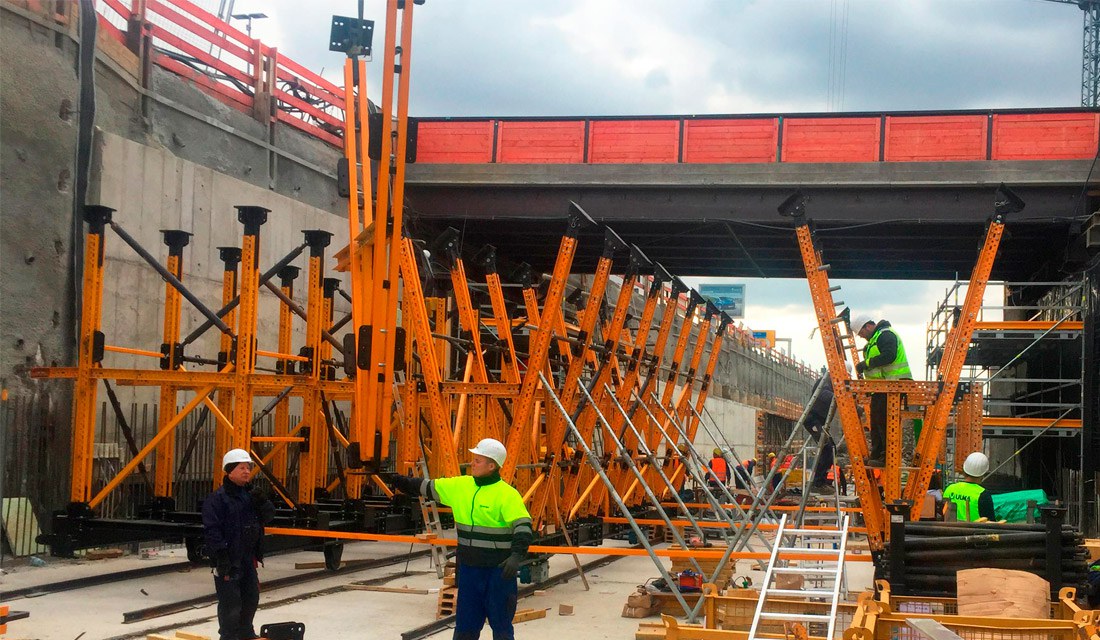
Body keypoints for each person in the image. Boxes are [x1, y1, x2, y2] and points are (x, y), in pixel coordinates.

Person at [389, 438, 533, 640]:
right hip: (469, 571)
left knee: (501, 629)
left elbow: (523, 526)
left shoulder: (507, 495)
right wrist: (397, 480)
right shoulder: (460, 487)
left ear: (492, 466)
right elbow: (426, 486)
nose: (472, 463)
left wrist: (517, 555)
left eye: (478, 460)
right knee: (465, 627)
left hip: (498, 573)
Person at [202, 449, 276, 640]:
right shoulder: (217, 499)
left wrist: (264, 502)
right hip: (228, 559)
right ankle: (228, 636)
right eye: (241, 468)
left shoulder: (251, 495)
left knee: (251, 597)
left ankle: (246, 633)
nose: (246, 471)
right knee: (231, 602)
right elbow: (212, 529)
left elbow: (268, 516)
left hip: (247, 557)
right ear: (229, 471)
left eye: (248, 468)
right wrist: (221, 557)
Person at [852, 314, 911, 466]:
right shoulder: (874, 341)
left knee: (885, 421)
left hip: (895, 385)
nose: (863, 337)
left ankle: (887, 456)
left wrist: (867, 363)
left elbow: (889, 356)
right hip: (882, 387)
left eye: (862, 333)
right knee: (877, 420)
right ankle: (877, 454)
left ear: (868, 326)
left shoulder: (886, 335)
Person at [803, 372, 837, 493]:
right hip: (812, 420)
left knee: (831, 448)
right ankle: (817, 483)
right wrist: (840, 395)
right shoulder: (824, 382)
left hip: (819, 422)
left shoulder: (832, 384)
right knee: (827, 448)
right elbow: (823, 395)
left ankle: (821, 481)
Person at [942, 452, 996, 521]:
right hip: (974, 531)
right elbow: (990, 523)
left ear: (964, 470)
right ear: (983, 473)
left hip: (948, 530)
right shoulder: (983, 494)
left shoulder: (950, 489)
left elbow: (942, 513)